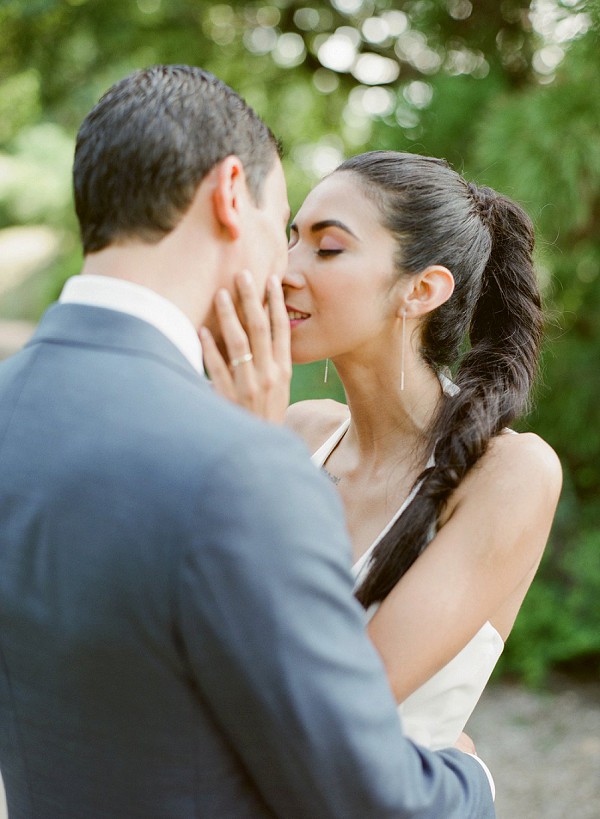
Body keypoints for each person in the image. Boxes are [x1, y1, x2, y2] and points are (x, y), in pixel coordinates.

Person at [0, 67, 495, 817]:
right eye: (283, 224)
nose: (285, 267)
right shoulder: (239, 464)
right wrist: (472, 781)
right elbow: (358, 786)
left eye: (323, 246)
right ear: (233, 194)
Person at [204, 150, 562, 752]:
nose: (284, 271)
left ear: (422, 290)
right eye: (292, 241)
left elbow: (333, 702)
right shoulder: (299, 431)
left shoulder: (509, 474)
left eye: (327, 248)